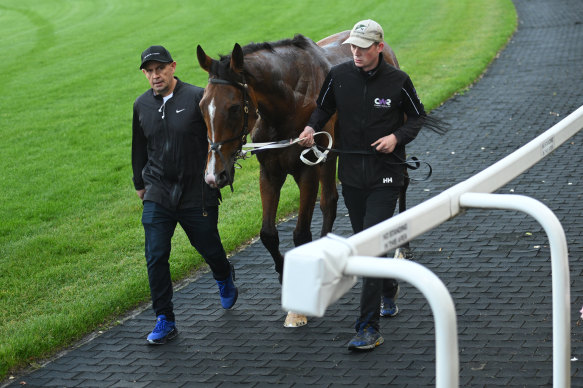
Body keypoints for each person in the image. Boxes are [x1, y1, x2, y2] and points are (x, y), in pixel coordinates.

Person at [299, 20, 426, 351]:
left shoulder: (398, 81)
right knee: (369, 243)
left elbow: (417, 117)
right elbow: (323, 108)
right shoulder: (339, 76)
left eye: (363, 47)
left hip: (387, 174)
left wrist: (396, 137)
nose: (355, 52)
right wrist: (311, 128)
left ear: (379, 47)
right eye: (353, 46)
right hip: (352, 174)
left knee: (370, 245)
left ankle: (368, 327)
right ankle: (387, 286)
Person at [132, 45, 238, 345]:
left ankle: (223, 274)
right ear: (144, 74)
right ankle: (164, 318)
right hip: (158, 191)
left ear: (173, 67)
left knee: (209, 247)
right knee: (155, 255)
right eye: (149, 71)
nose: (155, 76)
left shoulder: (196, 98)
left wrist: (219, 171)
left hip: (196, 191)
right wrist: (139, 182)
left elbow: (217, 138)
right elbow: (138, 147)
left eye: (160, 69)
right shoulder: (141, 105)